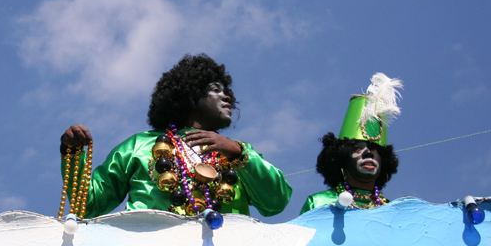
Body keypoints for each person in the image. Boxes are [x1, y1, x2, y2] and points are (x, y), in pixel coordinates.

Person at [60, 54, 292, 218]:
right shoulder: (138, 146)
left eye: (227, 91)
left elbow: (276, 202)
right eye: (215, 89)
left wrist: (239, 153)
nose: (227, 96)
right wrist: (73, 154)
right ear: (190, 95)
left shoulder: (236, 153)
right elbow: (88, 206)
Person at [300, 73, 401, 213]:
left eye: (375, 149)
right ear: (341, 159)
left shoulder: (394, 211)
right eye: (358, 149)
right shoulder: (319, 203)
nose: (368, 153)